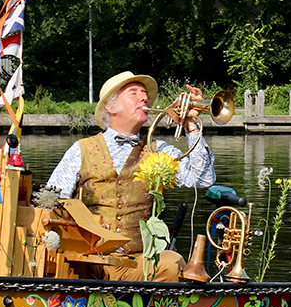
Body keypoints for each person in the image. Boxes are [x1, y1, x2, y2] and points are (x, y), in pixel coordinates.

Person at [46, 71, 216, 282]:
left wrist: (191, 126)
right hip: (86, 260)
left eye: (144, 93)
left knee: (173, 263)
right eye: (133, 93)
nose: (143, 98)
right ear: (111, 106)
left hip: (138, 263)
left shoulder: (157, 149)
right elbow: (51, 203)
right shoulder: (80, 149)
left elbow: (202, 179)